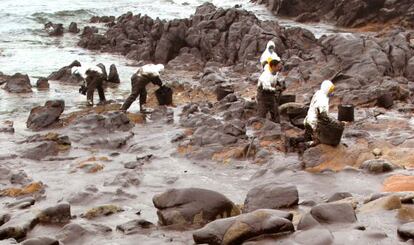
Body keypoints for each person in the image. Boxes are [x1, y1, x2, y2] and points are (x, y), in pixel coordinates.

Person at [303, 80, 335, 144]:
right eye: (330, 90)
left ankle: (297, 142)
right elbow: (323, 114)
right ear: (326, 89)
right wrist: (332, 122)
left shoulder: (319, 93)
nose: (331, 92)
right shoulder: (322, 99)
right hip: (313, 123)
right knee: (317, 142)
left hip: (308, 120)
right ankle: (305, 146)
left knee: (307, 137)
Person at [257, 57, 285, 123]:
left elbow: (276, 79)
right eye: (278, 67)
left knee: (275, 112)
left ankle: (276, 126)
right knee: (262, 114)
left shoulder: (275, 72)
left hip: (271, 95)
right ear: (273, 66)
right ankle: (260, 129)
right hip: (263, 95)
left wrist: (280, 85)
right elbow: (266, 87)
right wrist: (275, 89)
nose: (279, 68)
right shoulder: (266, 75)